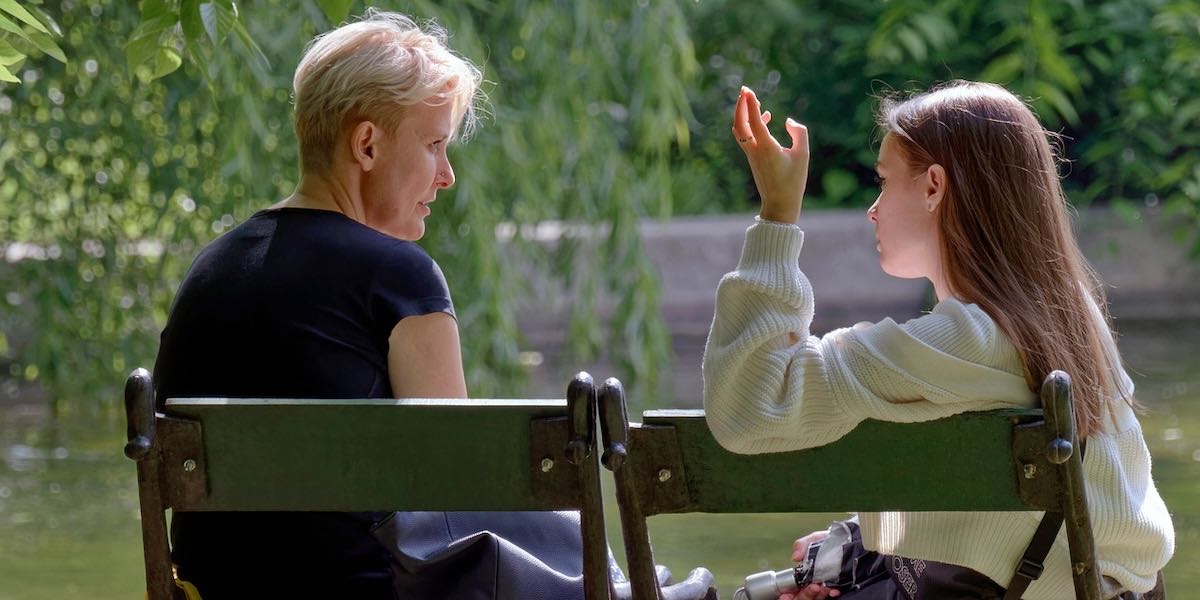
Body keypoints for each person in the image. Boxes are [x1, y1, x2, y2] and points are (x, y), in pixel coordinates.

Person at [153, 11, 587, 599]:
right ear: (366, 144)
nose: (448, 176)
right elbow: (461, 496)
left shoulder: (210, 268)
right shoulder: (401, 278)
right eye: (435, 145)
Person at [702, 82, 1174, 600]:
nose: (873, 209)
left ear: (933, 187)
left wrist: (777, 214)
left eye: (883, 182)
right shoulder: (1069, 314)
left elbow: (748, 409)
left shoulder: (957, 341)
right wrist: (871, 544)